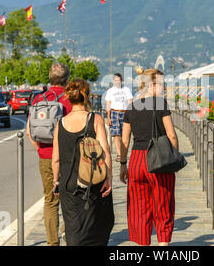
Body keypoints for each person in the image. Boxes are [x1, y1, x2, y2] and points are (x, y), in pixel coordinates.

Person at [120, 68, 178, 246]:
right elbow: (172, 135)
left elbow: (124, 140)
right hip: (158, 160)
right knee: (163, 206)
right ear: (152, 85)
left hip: (137, 160)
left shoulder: (131, 107)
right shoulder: (161, 105)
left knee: (138, 209)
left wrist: (123, 164)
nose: (164, 88)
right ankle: (162, 246)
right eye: (162, 84)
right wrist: (174, 158)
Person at [52, 79, 114, 246]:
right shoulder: (94, 119)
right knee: (97, 225)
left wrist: (56, 181)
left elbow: (56, 158)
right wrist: (109, 178)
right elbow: (106, 151)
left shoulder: (61, 123)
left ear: (69, 97)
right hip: (92, 182)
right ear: (86, 96)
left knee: (73, 228)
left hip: (68, 184)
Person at [26, 63, 72, 246]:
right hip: (68, 157)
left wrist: (40, 150)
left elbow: (29, 131)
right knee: (69, 200)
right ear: (67, 79)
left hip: (45, 155)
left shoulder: (39, 99)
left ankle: (52, 243)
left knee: (50, 201)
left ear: (49, 78)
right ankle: (69, 237)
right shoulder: (70, 99)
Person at [105, 73, 133, 162]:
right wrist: (108, 117)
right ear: (113, 81)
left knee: (125, 134)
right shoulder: (110, 91)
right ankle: (119, 154)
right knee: (116, 134)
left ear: (121, 81)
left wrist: (130, 113)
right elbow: (108, 104)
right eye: (115, 80)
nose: (117, 82)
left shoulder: (126, 90)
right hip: (114, 112)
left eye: (119, 80)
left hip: (124, 112)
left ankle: (124, 153)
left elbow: (130, 102)